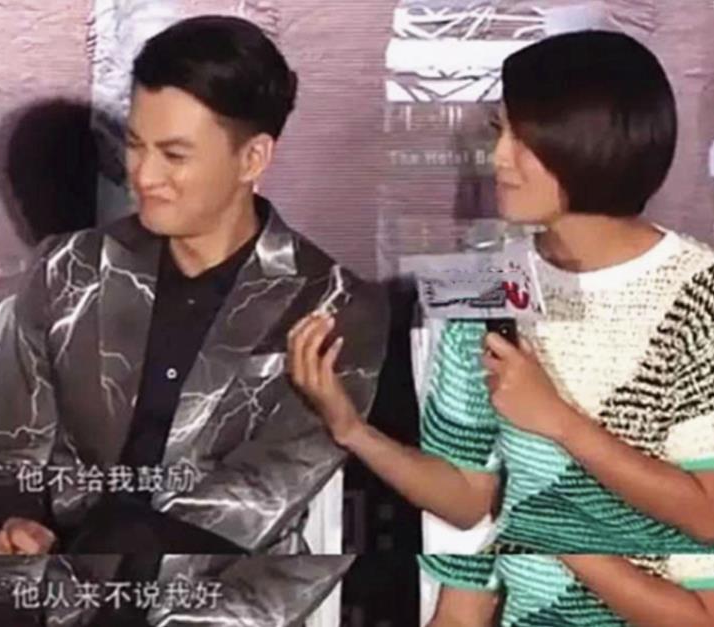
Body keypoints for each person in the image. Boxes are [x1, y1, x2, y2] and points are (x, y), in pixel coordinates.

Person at [0, 15, 385, 625]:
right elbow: (2, 451)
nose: (143, 175)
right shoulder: (66, 269)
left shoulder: (336, 306)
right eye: (135, 145)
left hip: (222, 598)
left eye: (174, 155)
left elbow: (256, 498)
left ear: (253, 157)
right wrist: (15, 523)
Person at [288, 30, 714, 625]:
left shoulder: (698, 294)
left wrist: (557, 424)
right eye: (499, 132)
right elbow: (468, 498)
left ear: (590, 139)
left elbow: (706, 514)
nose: (497, 159)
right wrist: (351, 429)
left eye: (524, 138)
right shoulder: (485, 283)